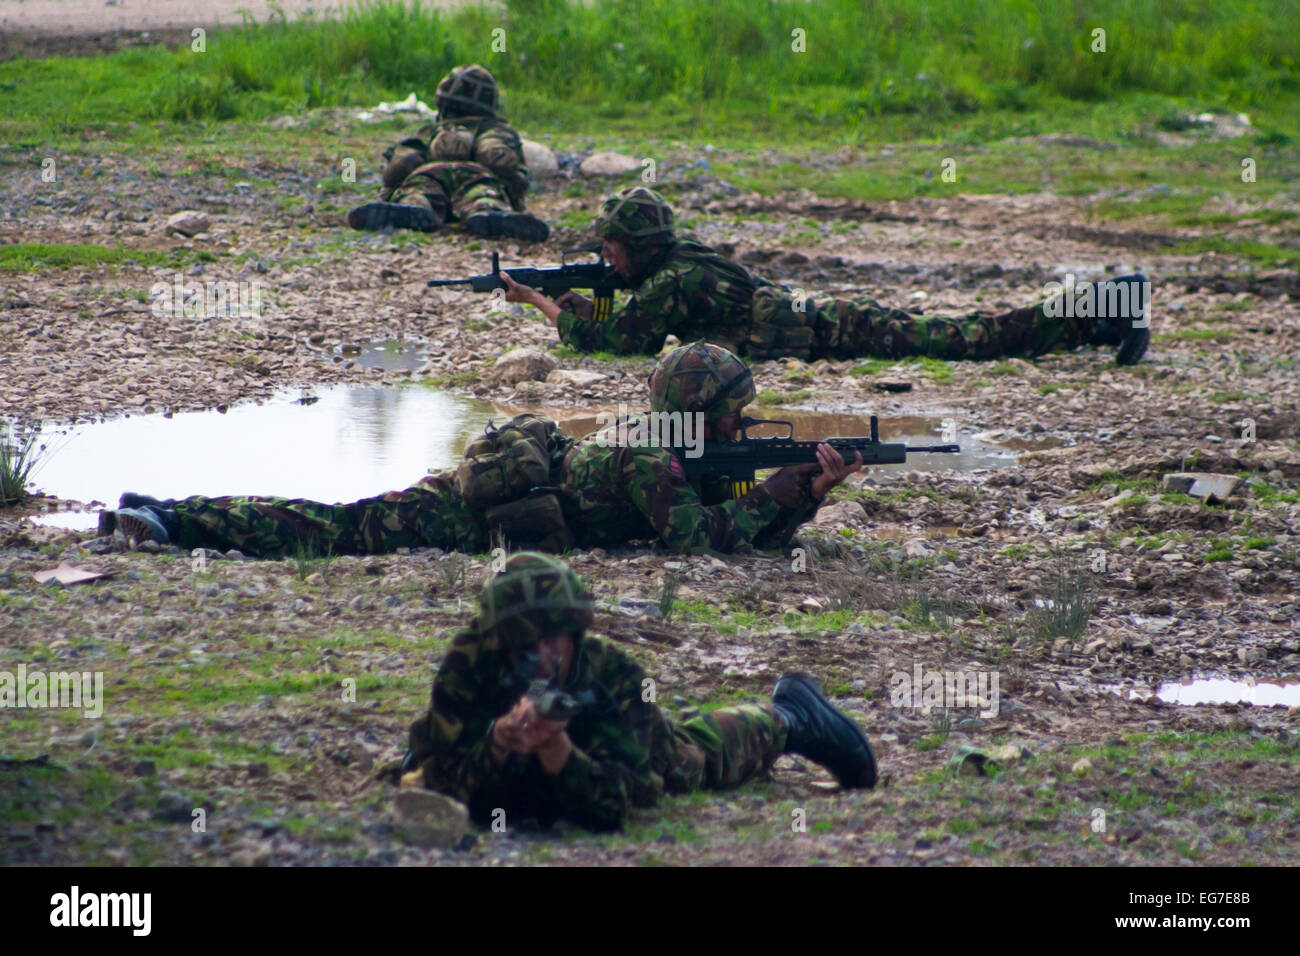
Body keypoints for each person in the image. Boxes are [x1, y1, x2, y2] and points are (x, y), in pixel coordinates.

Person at [103, 342, 860, 558]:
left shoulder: (669, 446)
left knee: (333, 526)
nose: (741, 427)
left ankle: (171, 514)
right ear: (697, 414)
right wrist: (778, 498)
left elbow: (735, 532)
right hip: (465, 519)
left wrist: (805, 497)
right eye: (731, 414)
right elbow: (702, 546)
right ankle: (174, 516)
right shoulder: (650, 458)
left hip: (503, 509)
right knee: (330, 529)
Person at [395, 551, 877, 831]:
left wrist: (559, 751)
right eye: (526, 643)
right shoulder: (468, 667)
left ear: (574, 635)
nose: (541, 655)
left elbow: (615, 808)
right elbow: (449, 789)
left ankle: (789, 714)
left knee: (689, 763)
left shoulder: (613, 676)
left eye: (553, 640)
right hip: (506, 748)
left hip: (620, 755)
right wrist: (498, 744)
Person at [499, 185, 1149, 364]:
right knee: (955, 332)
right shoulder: (680, 258)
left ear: (639, 246)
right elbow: (642, 312)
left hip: (822, 330)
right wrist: (595, 291)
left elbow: (626, 341)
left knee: (961, 338)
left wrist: (545, 305)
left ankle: (1095, 309)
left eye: (613, 248)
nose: (607, 259)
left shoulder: (670, 283)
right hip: (813, 316)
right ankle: (1093, 323)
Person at [346, 64, 548, 242]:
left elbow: (402, 165)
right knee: (483, 193)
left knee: (418, 191)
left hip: (429, 173)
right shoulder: (496, 129)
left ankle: (415, 206)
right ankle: (486, 210)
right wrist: (515, 196)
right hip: (478, 175)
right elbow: (505, 167)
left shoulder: (431, 131)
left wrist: (387, 195)